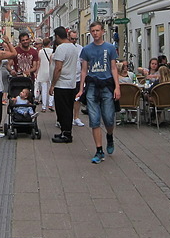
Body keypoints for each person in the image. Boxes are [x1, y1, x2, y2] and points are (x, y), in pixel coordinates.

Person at [78, 21, 121, 164]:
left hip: (107, 84)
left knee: (109, 118)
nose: (95, 33)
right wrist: (81, 89)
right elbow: (84, 70)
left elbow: (114, 68)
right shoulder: (86, 50)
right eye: (93, 31)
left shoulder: (110, 48)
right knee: (94, 119)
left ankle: (109, 135)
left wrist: (117, 87)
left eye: (97, 30)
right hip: (92, 85)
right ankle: (99, 150)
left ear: (103, 31)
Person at [50, 26, 80, 143]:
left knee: (62, 110)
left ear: (57, 36)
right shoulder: (73, 48)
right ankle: (65, 131)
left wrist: (53, 84)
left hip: (62, 84)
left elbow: (58, 68)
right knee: (68, 108)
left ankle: (66, 134)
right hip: (71, 83)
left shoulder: (61, 48)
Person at [68, 29, 85, 127]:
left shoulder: (80, 48)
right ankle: (68, 117)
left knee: (77, 98)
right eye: (72, 39)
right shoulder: (64, 48)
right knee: (68, 99)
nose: (74, 40)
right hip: (67, 77)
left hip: (78, 77)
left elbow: (83, 63)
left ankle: (76, 117)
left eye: (75, 39)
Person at [35, 37, 54, 112]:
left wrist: (37, 71)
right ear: (49, 43)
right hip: (50, 71)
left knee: (44, 89)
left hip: (42, 71)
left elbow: (39, 62)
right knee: (51, 88)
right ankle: (50, 104)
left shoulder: (40, 52)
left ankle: (43, 107)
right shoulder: (52, 51)